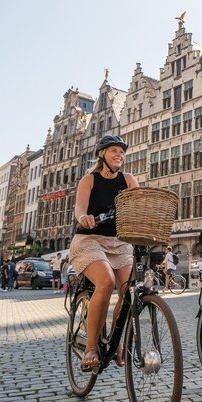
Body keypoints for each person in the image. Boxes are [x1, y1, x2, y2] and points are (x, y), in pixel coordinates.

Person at [71, 134, 138, 371]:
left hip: (119, 243)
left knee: (129, 292)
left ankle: (116, 342)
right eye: (114, 151)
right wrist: (84, 217)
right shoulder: (89, 180)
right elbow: (80, 207)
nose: (119, 154)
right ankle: (90, 347)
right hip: (90, 239)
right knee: (106, 282)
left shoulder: (129, 179)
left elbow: (138, 205)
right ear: (102, 155)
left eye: (122, 151)